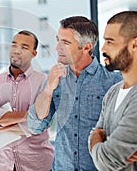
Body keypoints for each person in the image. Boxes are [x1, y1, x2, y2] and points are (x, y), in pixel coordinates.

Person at [27, 16, 122, 171]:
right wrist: (48, 89)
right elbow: (35, 126)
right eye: (58, 40)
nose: (57, 48)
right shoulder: (55, 79)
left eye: (65, 43)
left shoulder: (113, 81)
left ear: (86, 47)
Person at [0, 30, 54, 171]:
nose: (17, 51)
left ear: (34, 54)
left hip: (37, 164)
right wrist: (31, 114)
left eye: (24, 47)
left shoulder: (43, 82)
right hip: (0, 164)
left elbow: (42, 123)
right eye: (14, 45)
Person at [89, 11, 137, 171]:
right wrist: (97, 138)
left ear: (135, 45)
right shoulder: (113, 92)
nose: (102, 48)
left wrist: (97, 141)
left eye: (110, 42)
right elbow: (96, 133)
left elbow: (106, 161)